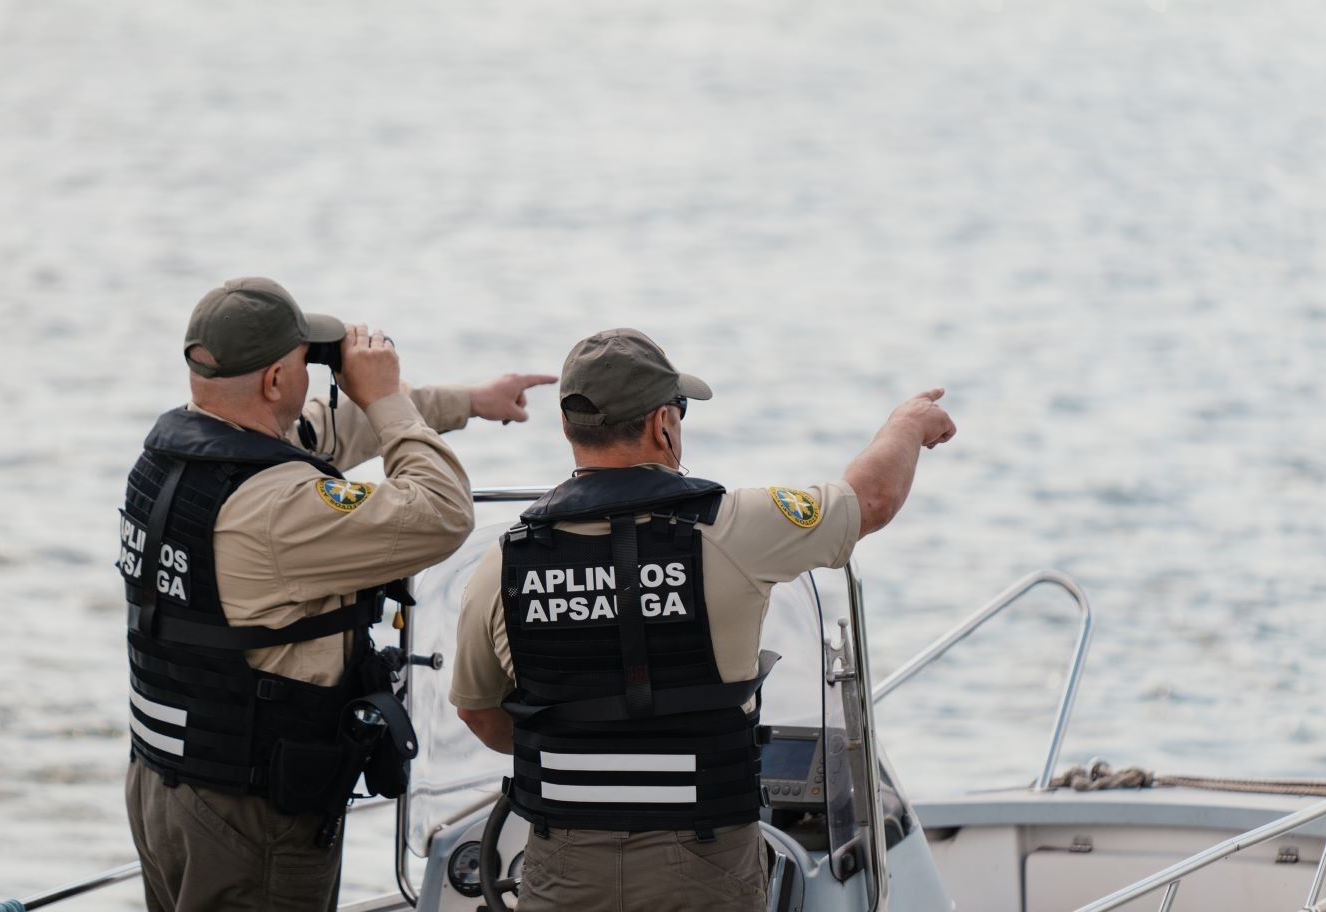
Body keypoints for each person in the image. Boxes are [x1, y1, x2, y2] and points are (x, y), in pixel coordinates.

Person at [450, 327, 957, 911]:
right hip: (703, 862)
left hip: (564, 867)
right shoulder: (734, 529)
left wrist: (588, 750)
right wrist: (908, 424)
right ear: (662, 423)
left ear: (569, 428)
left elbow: (479, 714)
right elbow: (870, 500)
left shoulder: (504, 563)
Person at [119, 276, 555, 912]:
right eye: (306, 360)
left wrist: (467, 401)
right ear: (274, 381)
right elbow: (440, 511)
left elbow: (330, 429)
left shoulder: (173, 456)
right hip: (251, 814)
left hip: (167, 783)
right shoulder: (276, 506)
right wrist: (382, 395)